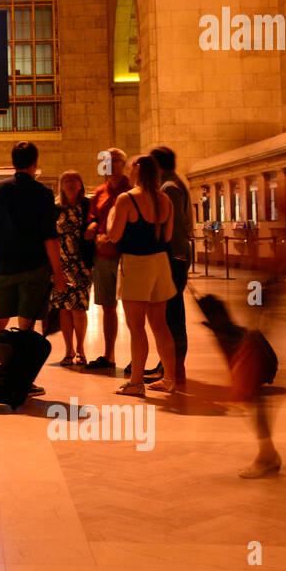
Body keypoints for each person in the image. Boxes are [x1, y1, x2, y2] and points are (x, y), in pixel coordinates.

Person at [0, 142, 68, 394]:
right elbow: (50, 238)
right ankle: (19, 382)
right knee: (25, 328)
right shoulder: (42, 193)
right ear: (35, 163)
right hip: (33, 270)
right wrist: (58, 274)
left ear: (13, 161)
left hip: (5, 269)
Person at [106, 154, 178, 396]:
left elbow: (114, 236)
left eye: (130, 167)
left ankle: (136, 382)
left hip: (136, 265)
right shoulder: (165, 200)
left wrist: (110, 218)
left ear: (137, 169)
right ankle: (169, 378)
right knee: (160, 325)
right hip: (161, 264)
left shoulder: (127, 199)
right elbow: (167, 238)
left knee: (136, 327)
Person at [85, 147, 132, 373]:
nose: (110, 165)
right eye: (106, 161)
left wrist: (116, 241)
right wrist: (93, 226)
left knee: (134, 308)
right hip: (103, 256)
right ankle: (109, 354)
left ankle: (136, 357)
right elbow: (93, 217)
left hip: (125, 256)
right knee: (107, 307)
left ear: (123, 164)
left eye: (115, 161)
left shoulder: (132, 191)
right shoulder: (99, 192)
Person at [150, 145, 191, 388]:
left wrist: (172, 259)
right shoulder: (170, 184)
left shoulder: (169, 188)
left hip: (173, 259)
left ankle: (174, 368)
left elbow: (174, 231)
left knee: (172, 316)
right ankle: (168, 364)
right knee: (170, 314)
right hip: (176, 258)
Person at [51, 170, 93, 366]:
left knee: (78, 308)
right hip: (60, 264)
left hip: (81, 264)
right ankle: (68, 349)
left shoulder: (86, 205)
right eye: (66, 180)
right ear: (61, 184)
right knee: (63, 308)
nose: (70, 183)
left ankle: (81, 349)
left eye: (74, 180)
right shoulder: (55, 208)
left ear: (80, 184)